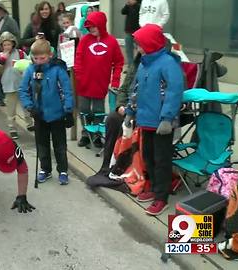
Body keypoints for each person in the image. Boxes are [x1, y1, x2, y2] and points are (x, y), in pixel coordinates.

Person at [124, 24, 184, 216]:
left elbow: (174, 92)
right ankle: (154, 187)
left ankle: (161, 197)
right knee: (148, 157)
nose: (138, 49)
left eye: (140, 45)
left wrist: (167, 119)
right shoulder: (144, 63)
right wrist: (130, 113)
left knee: (162, 160)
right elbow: (136, 90)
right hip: (145, 121)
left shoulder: (168, 63)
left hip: (161, 124)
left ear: (150, 44)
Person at [18, 39, 74, 185]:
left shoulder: (58, 70)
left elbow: (67, 90)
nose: (39, 61)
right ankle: (45, 169)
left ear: (50, 55)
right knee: (41, 144)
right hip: (40, 115)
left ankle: (62, 170)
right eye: (35, 58)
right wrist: (30, 107)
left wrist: (68, 111)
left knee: (60, 145)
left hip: (57, 115)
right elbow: (23, 90)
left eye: (42, 58)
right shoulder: (30, 70)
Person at [74, 11, 124, 148]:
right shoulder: (84, 40)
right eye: (89, 27)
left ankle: (96, 134)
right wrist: (79, 76)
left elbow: (119, 62)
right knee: (84, 110)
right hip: (84, 82)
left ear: (101, 25)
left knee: (98, 110)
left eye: (94, 26)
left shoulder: (112, 42)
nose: (91, 30)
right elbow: (78, 58)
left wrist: (115, 81)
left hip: (100, 83)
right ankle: (85, 133)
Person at [0, 32, 34, 139]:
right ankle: (12, 128)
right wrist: (2, 61)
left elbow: (28, 64)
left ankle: (30, 124)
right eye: (5, 45)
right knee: (11, 110)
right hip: (8, 86)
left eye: (9, 44)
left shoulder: (20, 53)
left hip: (22, 85)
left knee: (26, 106)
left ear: (13, 44)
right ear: (1, 46)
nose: (7, 47)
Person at [121, 0, 141, 68]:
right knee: (129, 50)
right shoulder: (129, 6)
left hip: (139, 32)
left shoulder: (141, 5)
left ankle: (140, 66)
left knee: (141, 49)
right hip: (129, 32)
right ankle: (130, 67)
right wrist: (127, 5)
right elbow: (123, 12)